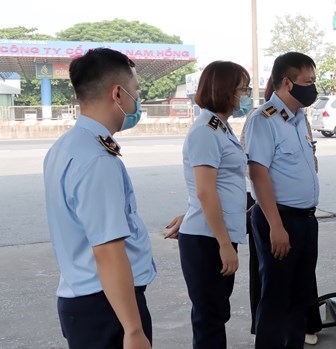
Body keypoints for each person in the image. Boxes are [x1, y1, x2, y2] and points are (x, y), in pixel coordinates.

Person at [43, 48, 156, 349]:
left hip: (85, 301)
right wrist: (133, 330)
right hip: (107, 309)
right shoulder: (97, 160)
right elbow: (108, 250)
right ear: (118, 94)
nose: (137, 100)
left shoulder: (67, 146)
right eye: (136, 92)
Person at [164, 61, 252, 348]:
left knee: (216, 313)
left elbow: (219, 188)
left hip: (212, 233)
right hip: (208, 240)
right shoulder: (206, 131)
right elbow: (205, 191)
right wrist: (224, 245)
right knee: (209, 319)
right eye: (243, 88)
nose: (246, 94)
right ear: (225, 90)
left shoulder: (220, 127)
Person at [242, 51, 320, 349]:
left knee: (300, 296)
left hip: (305, 220)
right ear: (287, 83)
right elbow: (258, 174)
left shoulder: (299, 119)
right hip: (280, 220)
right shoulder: (264, 120)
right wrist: (275, 226)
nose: (313, 87)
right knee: (275, 297)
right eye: (308, 81)